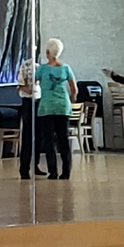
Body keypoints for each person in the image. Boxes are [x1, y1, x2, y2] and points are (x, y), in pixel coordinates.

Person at [33, 39, 75, 180]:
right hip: (63, 107)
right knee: (63, 140)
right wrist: (70, 100)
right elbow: (74, 90)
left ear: (47, 53)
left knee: (49, 141)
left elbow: (33, 83)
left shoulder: (43, 69)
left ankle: (53, 172)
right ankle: (66, 171)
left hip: (47, 107)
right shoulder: (66, 68)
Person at [15, 52, 39, 179]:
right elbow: (20, 86)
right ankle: (24, 168)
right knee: (27, 136)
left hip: (39, 101)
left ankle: (36, 165)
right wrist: (29, 90)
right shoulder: (24, 66)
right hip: (28, 102)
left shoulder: (40, 67)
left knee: (39, 136)